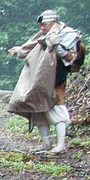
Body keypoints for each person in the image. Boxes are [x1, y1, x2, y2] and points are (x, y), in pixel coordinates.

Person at [7, 9, 82, 153]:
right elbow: (30, 50)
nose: (42, 28)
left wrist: (55, 45)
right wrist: (19, 50)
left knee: (57, 107)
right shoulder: (42, 36)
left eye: (44, 24)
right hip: (38, 77)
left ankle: (60, 144)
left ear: (53, 22)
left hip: (56, 76)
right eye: (41, 25)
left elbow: (69, 58)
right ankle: (46, 143)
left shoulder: (67, 34)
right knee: (37, 107)